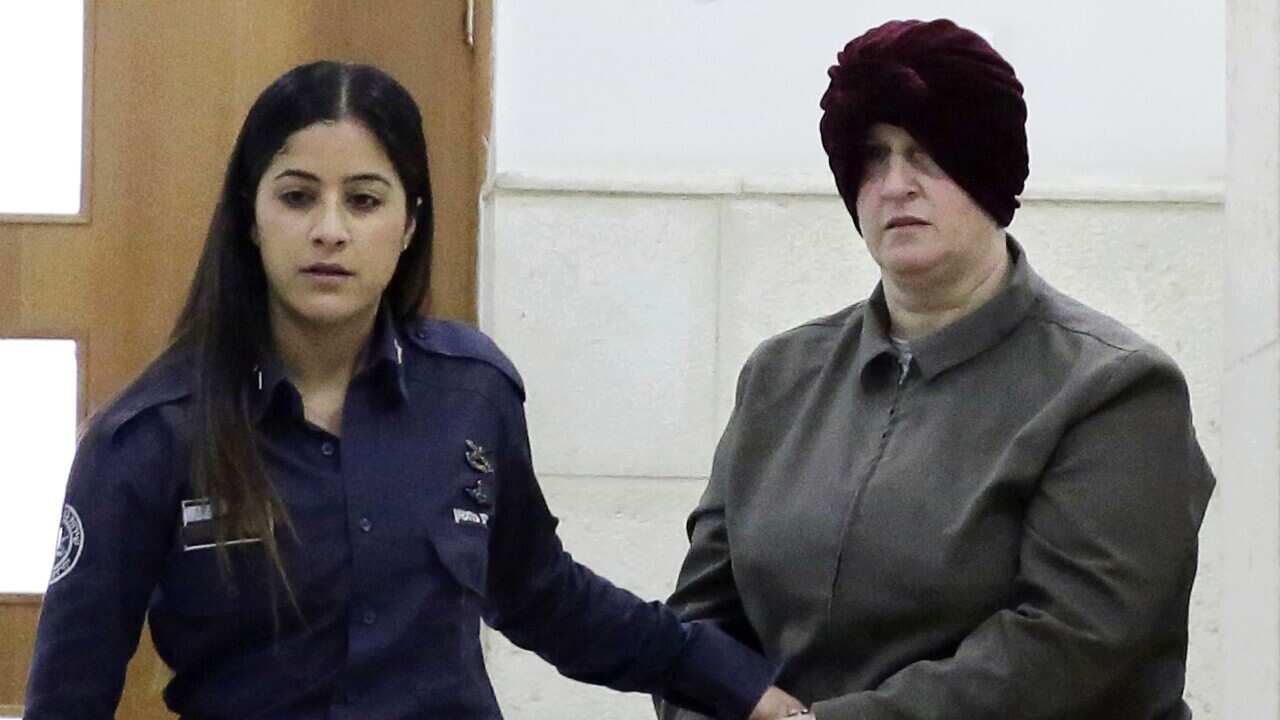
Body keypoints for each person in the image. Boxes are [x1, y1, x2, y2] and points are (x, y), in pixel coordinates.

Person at [24, 61, 805, 719]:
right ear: (250, 220)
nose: (330, 230)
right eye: (297, 197)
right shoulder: (149, 436)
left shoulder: (471, 393)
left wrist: (734, 682)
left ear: (407, 225)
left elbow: (544, 597)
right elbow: (71, 689)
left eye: (364, 200)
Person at [656, 19, 1215, 720]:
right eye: (874, 157)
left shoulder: (1115, 391)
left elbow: (1069, 647)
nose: (896, 185)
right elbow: (705, 614)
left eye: (926, 155)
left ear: (989, 172)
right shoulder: (781, 376)